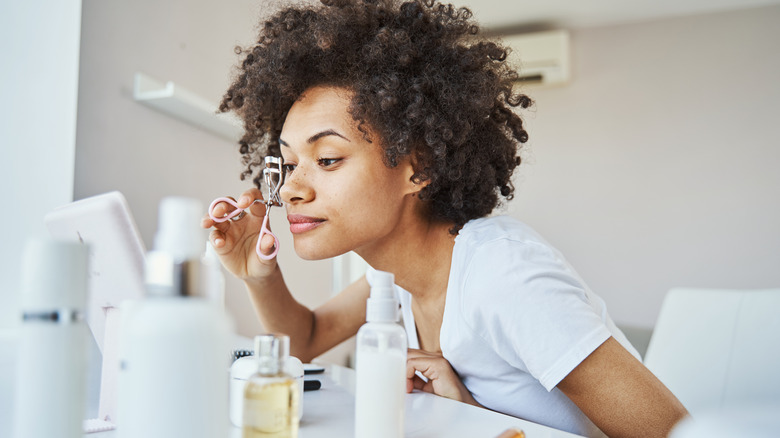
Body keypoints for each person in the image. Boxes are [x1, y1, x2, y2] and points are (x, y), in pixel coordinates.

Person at [203, 1, 689, 437]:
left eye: (328, 159)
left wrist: (473, 417)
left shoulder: (502, 275)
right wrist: (257, 274)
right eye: (287, 165)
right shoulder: (393, 275)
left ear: (421, 168)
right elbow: (305, 342)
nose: (290, 189)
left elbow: (680, 435)